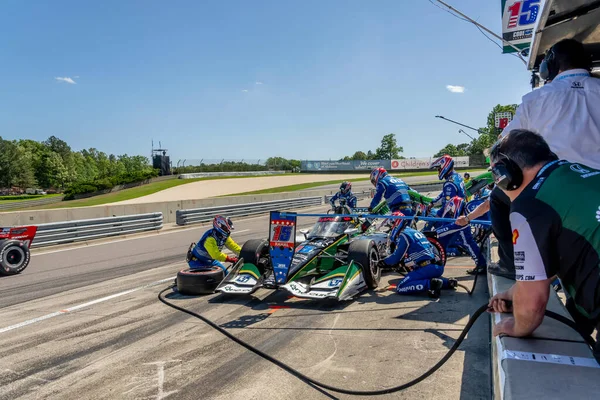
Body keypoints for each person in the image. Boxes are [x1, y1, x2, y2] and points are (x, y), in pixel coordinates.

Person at [484, 38, 600, 280]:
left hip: (555, 189)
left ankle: (510, 264)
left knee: (497, 198)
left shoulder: (536, 99)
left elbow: (503, 147)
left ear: (552, 63)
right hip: (595, 186)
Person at [486, 130, 600, 363]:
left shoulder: (529, 205)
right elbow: (540, 273)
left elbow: (532, 306)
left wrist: (516, 326)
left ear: (507, 174)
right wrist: (511, 294)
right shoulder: (581, 172)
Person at [379, 212, 457, 298]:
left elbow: (396, 257)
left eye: (391, 226)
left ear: (396, 223)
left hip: (427, 268)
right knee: (419, 276)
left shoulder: (404, 235)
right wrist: (401, 263)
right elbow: (420, 254)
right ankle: (448, 282)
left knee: (401, 287)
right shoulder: (415, 232)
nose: (391, 228)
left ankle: (430, 284)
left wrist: (384, 262)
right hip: (437, 266)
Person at [433, 196, 487, 272]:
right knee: (467, 241)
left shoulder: (469, 207)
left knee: (468, 242)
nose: (452, 215)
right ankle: (481, 264)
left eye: (451, 213)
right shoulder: (465, 213)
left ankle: (481, 264)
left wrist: (436, 232)